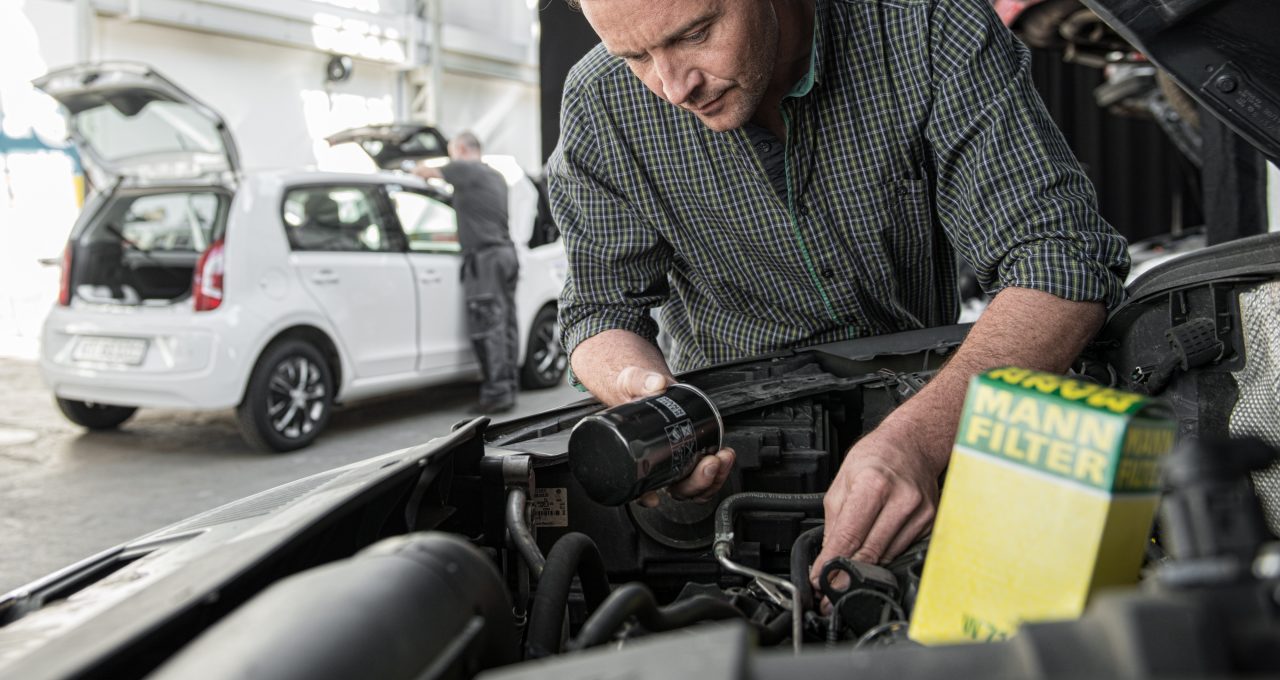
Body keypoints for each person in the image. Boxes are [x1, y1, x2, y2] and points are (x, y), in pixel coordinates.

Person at [545, 0, 1131, 585]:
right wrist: (642, 395)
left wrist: (920, 440)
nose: (673, 87)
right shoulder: (600, 104)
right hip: (733, 459)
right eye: (635, 57)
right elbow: (599, 310)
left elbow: (1062, 256)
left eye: (695, 33)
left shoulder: (925, 26)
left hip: (947, 414)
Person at [415, 131, 521, 413]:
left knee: (489, 325)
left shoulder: (464, 168)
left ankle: (497, 394)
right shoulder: (495, 176)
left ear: (460, 148)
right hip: (505, 254)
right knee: (506, 323)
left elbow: (424, 171)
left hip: (485, 259)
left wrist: (411, 169)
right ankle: (508, 385)